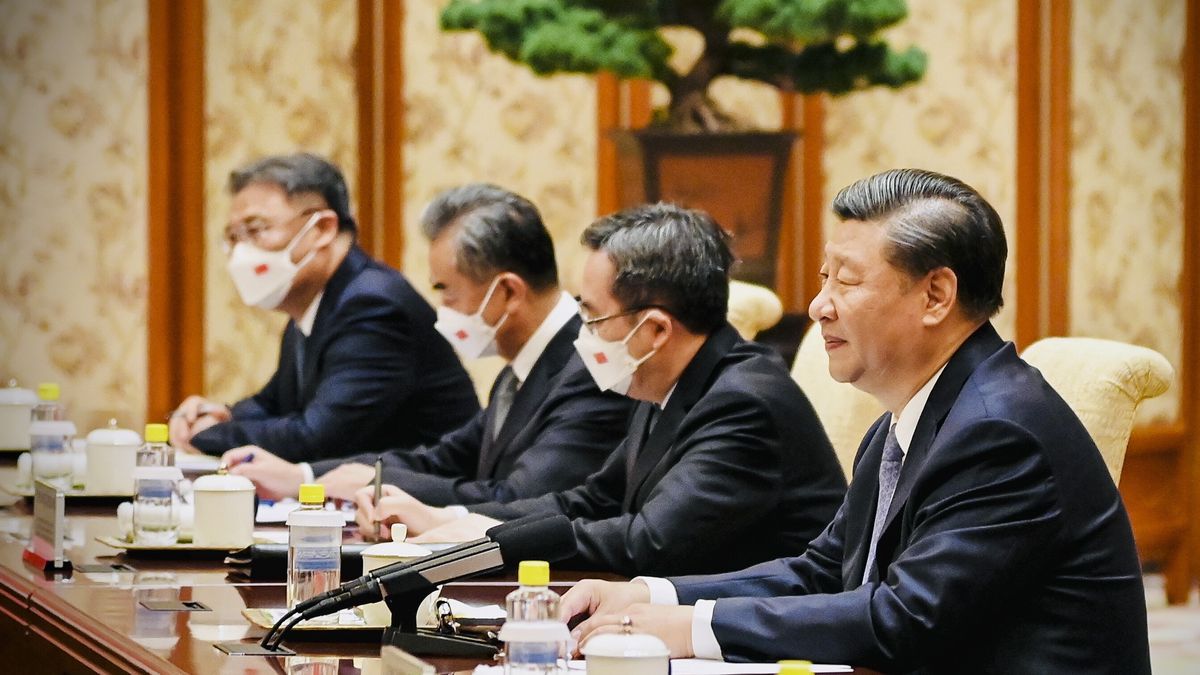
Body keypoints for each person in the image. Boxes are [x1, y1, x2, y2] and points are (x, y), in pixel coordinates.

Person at [560, 169, 1151, 674]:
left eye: (846, 280)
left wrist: (692, 628)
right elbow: (822, 571)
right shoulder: (909, 418)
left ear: (936, 296)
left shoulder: (1000, 432)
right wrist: (650, 595)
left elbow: (904, 618)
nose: (819, 305)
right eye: (824, 278)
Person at [356, 203, 846, 577]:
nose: (581, 334)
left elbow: (648, 541)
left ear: (656, 330)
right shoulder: (668, 379)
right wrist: (455, 519)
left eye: (592, 317)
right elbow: (591, 500)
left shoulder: (743, 402)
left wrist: (496, 539)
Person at [220, 184, 633, 501]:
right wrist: (306, 477)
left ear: (508, 292)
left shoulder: (588, 367)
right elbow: (442, 459)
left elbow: (520, 498)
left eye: (447, 292)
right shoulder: (523, 368)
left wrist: (384, 490)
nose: (441, 310)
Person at [169, 153, 479, 462]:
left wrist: (207, 435)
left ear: (322, 228)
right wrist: (218, 415)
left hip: (427, 488)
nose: (241, 251)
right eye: (234, 237)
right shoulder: (314, 302)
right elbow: (274, 404)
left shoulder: (373, 305)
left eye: (256, 229)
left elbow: (315, 438)